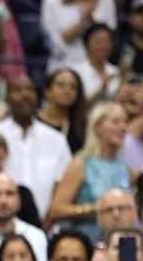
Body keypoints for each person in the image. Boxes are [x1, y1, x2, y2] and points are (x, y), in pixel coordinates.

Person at [0, 73, 73, 222]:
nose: (25, 95)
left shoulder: (56, 140)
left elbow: (63, 184)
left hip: (48, 224)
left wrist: (49, 220)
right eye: (17, 90)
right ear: (7, 98)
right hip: (1, 222)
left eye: (30, 90)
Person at [48, 102, 132, 240]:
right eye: (115, 122)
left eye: (125, 122)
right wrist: (93, 208)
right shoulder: (81, 164)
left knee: (132, 256)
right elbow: (56, 210)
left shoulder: (123, 166)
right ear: (97, 127)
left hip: (121, 239)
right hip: (89, 240)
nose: (123, 127)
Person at [40, 0, 116, 72]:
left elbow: (107, 42)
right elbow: (55, 47)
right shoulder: (51, 2)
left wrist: (92, 22)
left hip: (97, 70)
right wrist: (83, 22)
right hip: (62, 69)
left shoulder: (106, 2)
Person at [36, 67, 87, 154]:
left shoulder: (82, 126)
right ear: (47, 91)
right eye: (60, 85)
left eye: (73, 87)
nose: (67, 91)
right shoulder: (31, 120)